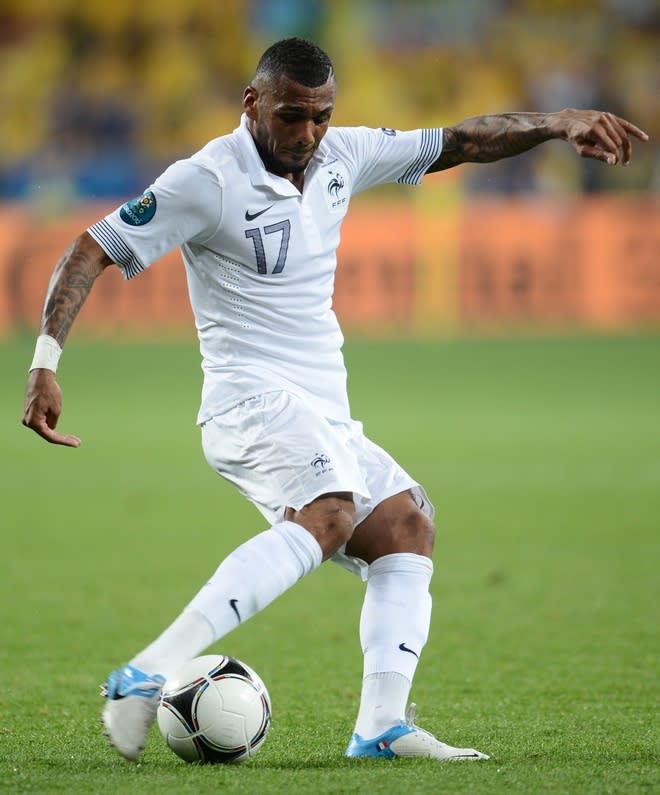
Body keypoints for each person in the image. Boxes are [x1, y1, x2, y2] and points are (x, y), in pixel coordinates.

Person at [22, 37, 648, 763]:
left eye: (322, 116)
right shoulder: (207, 181)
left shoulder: (341, 155)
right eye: (293, 116)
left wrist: (558, 121)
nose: (309, 135)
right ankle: (148, 670)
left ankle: (380, 726)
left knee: (406, 529)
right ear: (252, 104)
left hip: (321, 410)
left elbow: (460, 141)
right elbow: (89, 248)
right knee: (330, 511)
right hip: (248, 402)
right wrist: (45, 362)